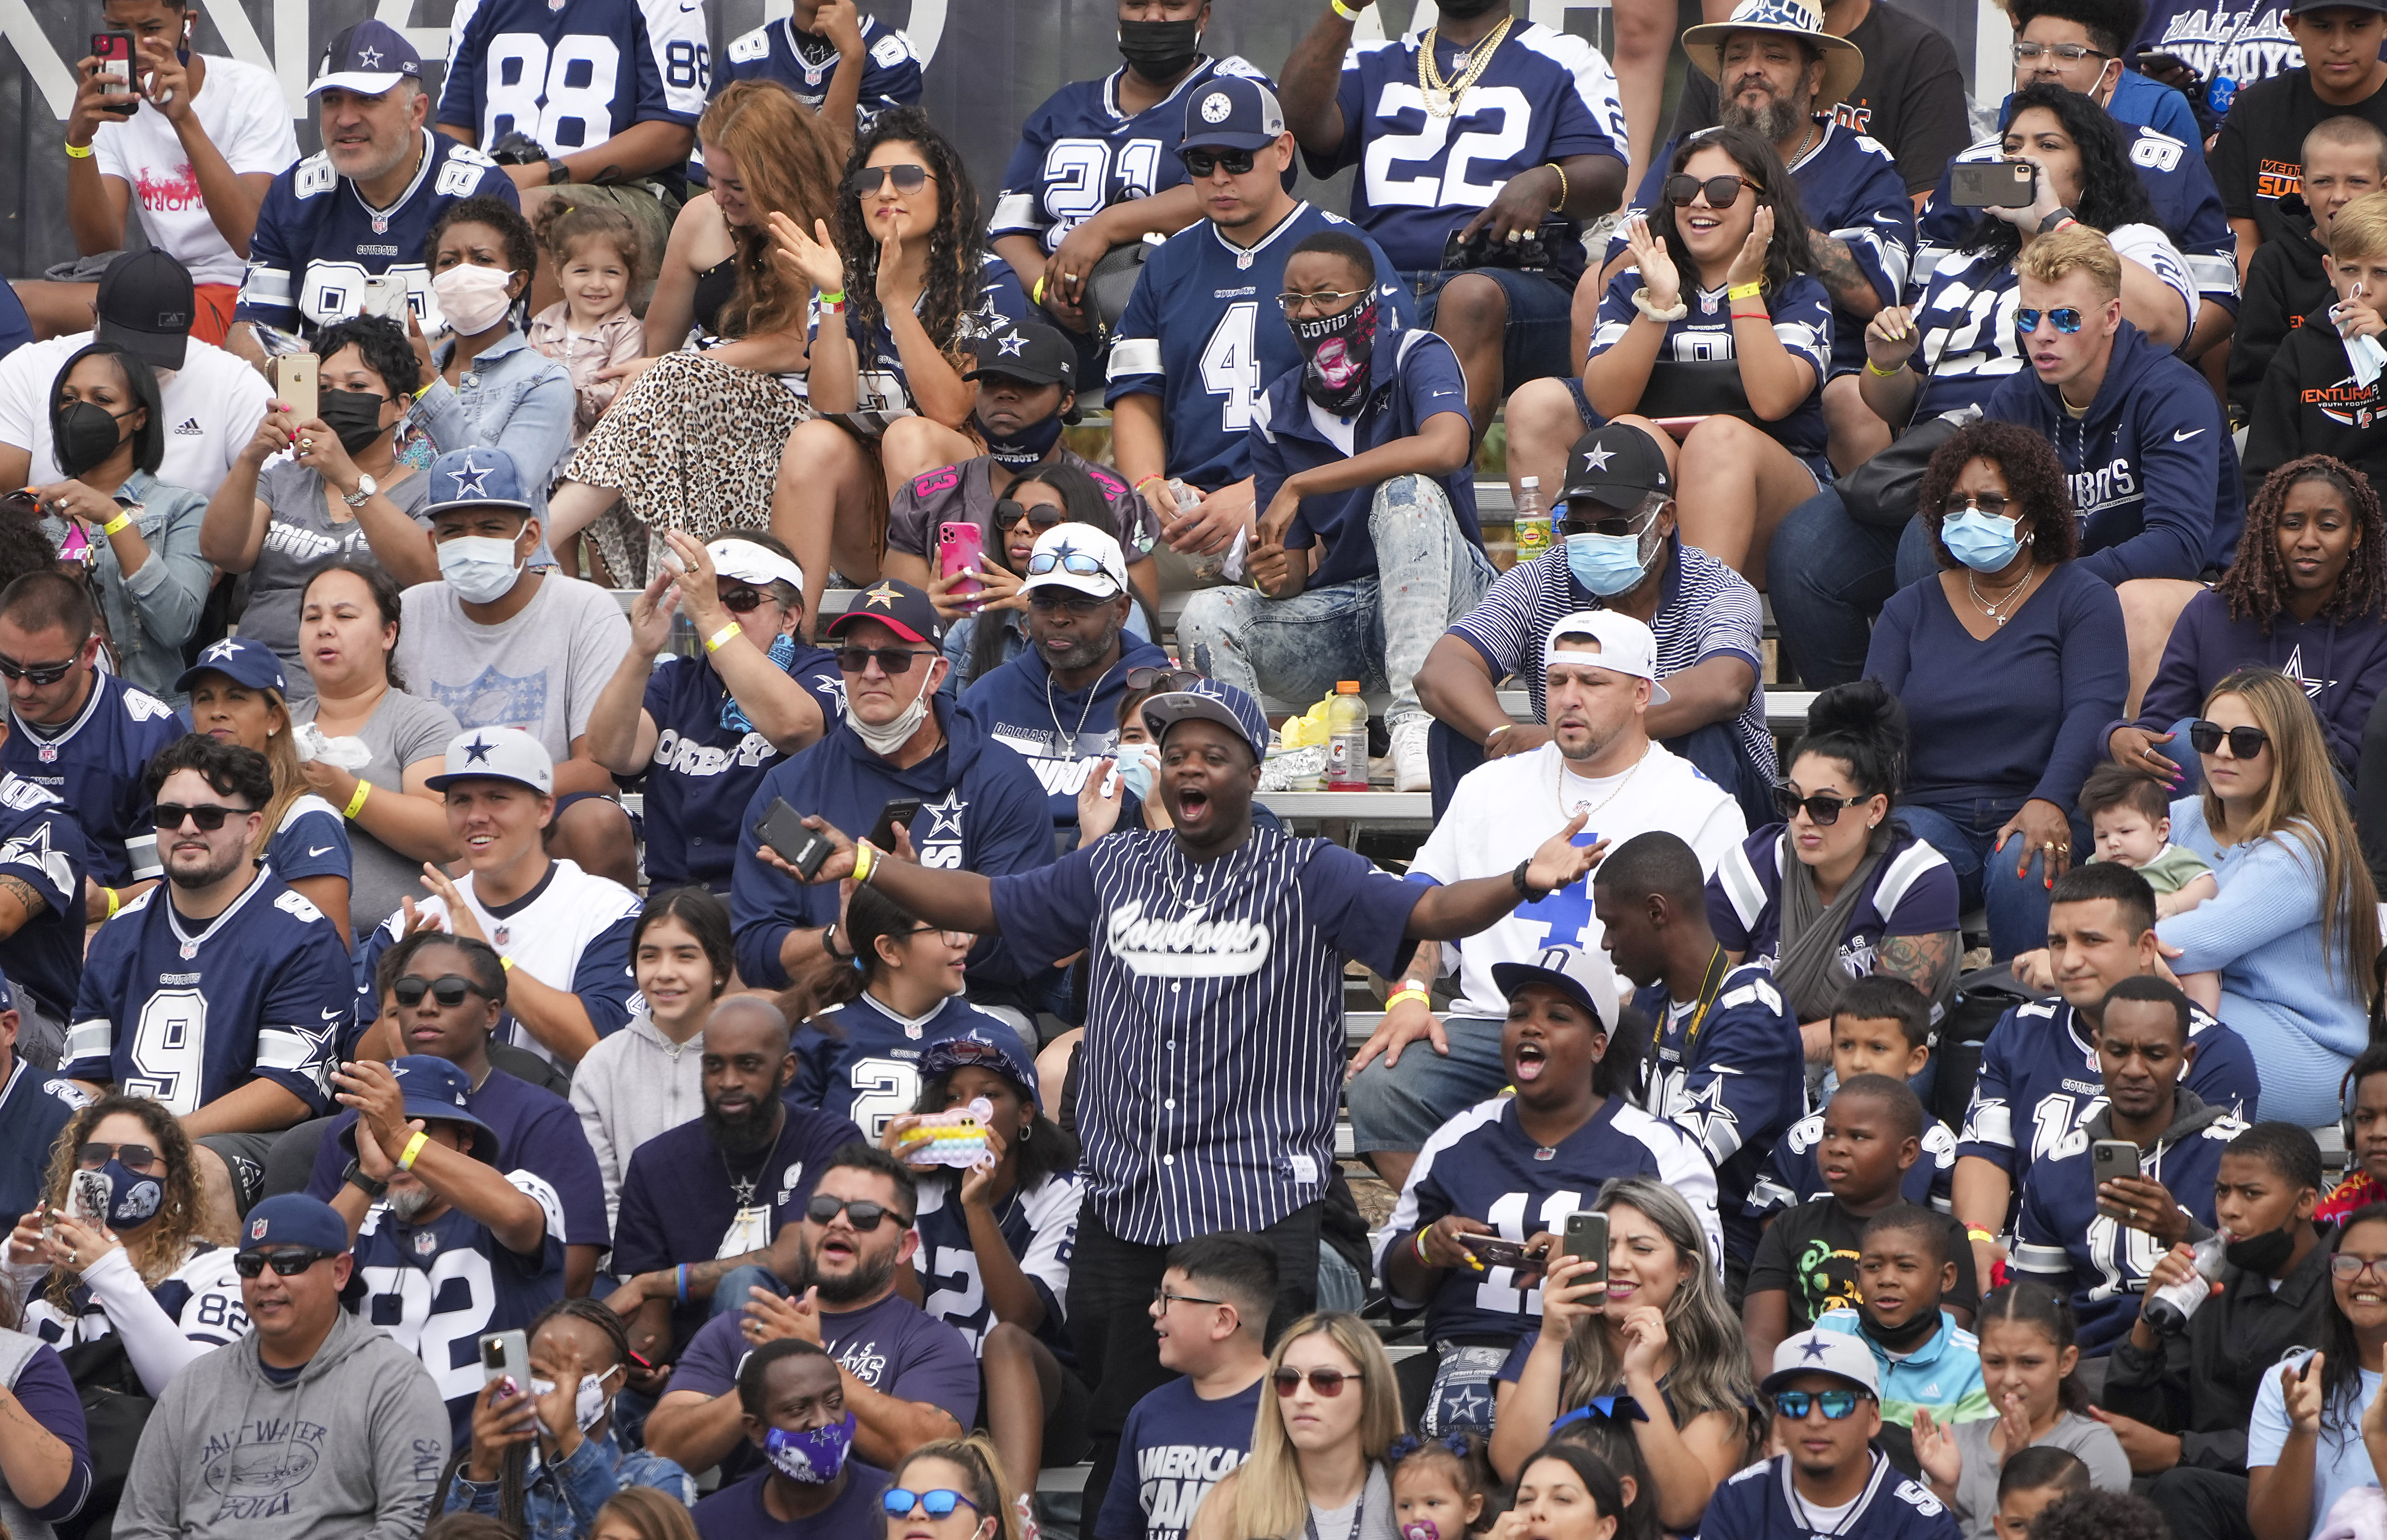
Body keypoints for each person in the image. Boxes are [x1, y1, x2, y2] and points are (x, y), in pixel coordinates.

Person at [763, 674, 1606, 1519]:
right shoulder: (1116, 864)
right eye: (1175, 754)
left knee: (1270, 1432)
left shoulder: (1310, 870)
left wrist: (1521, 881)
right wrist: (872, 865)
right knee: (1124, 1429)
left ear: (1251, 769)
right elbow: (988, 901)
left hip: (1251, 1200)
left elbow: (1428, 906)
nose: (1188, 767)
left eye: (1213, 753)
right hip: (1126, 1203)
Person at [1769, 88, 2198, 688]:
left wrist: (2054, 223)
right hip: (1931, 456)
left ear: (2089, 164)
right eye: (2012, 147)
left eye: (2047, 147)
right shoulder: (1964, 260)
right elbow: (1895, 403)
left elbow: (2164, 320)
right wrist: (1887, 365)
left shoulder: (2125, 242)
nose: (2022, 161)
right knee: (1804, 548)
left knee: (1936, 541)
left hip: (2035, 455)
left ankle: (1950, 724)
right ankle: (1860, 725)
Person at [1347, 611, 1748, 1193]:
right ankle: (1469, 1229)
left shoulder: (1699, 803)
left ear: (1641, 693)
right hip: (1493, 1021)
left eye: (1592, 682)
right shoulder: (1489, 785)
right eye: (1557, 681)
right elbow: (1424, 906)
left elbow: (1715, 956)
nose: (1569, 699)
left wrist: (1619, 1019)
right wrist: (1409, 996)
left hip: (1620, 1027)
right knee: (1382, 1084)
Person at [1175, 229, 1487, 794]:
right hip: (1352, 612)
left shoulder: (1416, 352)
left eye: (1326, 296)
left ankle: (1416, 722)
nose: (1308, 311)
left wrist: (1301, 483)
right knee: (1206, 612)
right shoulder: (1277, 405)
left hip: (1452, 603)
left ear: (1368, 298)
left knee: (1406, 492)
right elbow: (1291, 574)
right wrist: (1272, 573)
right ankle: (1255, 758)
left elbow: (1447, 447)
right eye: (1293, 300)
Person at [1373, 946, 1721, 1435]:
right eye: (1519, 1013)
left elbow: (1701, 1282)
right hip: (1462, 1360)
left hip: (1599, 1365)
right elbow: (1397, 1282)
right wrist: (1429, 1248)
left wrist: (1592, 1263)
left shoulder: (1661, 1149)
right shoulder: (1457, 1137)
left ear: (1599, 1045)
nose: (1532, 1027)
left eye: (1558, 1016)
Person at [1102, 76, 1409, 594]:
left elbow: (1383, 409)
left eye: (1239, 159)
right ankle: (1141, 675)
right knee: (1081, 549)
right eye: (1202, 163)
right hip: (1187, 506)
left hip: (1307, 500)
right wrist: (1149, 486)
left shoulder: (1346, 253)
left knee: (1272, 540)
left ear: (1283, 150)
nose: (1220, 177)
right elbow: (1137, 394)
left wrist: (1253, 493)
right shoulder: (1167, 261)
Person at [1275, 0, 1631, 431]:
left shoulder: (1569, 56)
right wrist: (1345, 8)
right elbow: (1296, 121)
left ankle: (1436, 482)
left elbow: (1609, 177)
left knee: (1469, 297)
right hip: (1388, 284)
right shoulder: (1373, 57)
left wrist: (1546, 182)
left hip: (1516, 286)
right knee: (1310, 292)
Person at [545, 81, 842, 589]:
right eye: (711, 178)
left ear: (779, 175)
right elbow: (656, 344)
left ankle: (542, 535)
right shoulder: (699, 218)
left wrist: (682, 369)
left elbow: (796, 345)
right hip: (692, 400)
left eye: (737, 186)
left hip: (795, 420)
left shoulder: (824, 223)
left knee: (673, 380)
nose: (719, 195)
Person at [1415, 424, 1775, 823]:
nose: (1593, 539)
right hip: (1576, 781)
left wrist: (1579, 735)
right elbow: (1441, 671)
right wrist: (1505, 736)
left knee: (1710, 733)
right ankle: (1473, 881)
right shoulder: (1542, 580)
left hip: (1697, 790)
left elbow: (1725, 686)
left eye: (1614, 527)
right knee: (1452, 734)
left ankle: (1702, 884)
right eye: (1578, 528)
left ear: (1666, 518)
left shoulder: (1716, 587)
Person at [1864, 419, 2128, 962]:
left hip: (2046, 802)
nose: (1968, 516)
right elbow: (1871, 724)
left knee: (2022, 863)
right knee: (1894, 851)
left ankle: (2024, 1023)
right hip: (1932, 811)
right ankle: (1911, 1031)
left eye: (1989, 502)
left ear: (2031, 513)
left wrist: (2049, 799)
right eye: (1955, 504)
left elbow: (2091, 711)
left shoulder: (2082, 599)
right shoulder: (1907, 610)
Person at [727, 579, 1054, 1014]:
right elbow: (756, 952)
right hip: (833, 1006)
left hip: (971, 1009)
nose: (872, 672)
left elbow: (1019, 942)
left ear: (937, 673)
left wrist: (905, 908)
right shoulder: (792, 787)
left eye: (895, 658)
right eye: (855, 656)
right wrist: (840, 938)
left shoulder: (1001, 780)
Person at [64, 737, 355, 1219]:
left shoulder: (302, 934)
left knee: (192, 1173)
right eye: (170, 815)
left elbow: (288, 1093)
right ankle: (65, 1294)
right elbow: (87, 1075)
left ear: (252, 826)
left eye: (210, 817)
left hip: (247, 1144)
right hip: (130, 1140)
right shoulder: (119, 933)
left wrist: (163, 1137)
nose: (187, 828)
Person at [763, 110, 1033, 619]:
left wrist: (894, 303)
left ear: (945, 190)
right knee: (812, 440)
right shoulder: (846, 277)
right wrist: (832, 297)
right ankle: (787, 646)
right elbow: (831, 402)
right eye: (870, 181)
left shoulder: (989, 277)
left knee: (908, 435)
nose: (886, 193)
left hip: (976, 515)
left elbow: (952, 409)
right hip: (874, 523)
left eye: (907, 178)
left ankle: (906, 634)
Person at [1953, 861, 2261, 1285]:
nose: (2069, 960)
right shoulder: (2019, 1028)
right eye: (2057, 942)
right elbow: (1986, 1150)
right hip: (2037, 1268)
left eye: (2091, 941)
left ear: (2145, 947)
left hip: (2168, 1279)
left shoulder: (2214, 1051)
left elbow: (2218, 1195)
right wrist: (1977, 1236)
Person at [1581, 129, 1837, 590]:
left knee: (1717, 438)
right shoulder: (1633, 287)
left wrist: (1743, 290)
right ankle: (1625, 626)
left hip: (1784, 506)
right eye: (1683, 189)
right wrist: (1657, 307)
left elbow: (1774, 400)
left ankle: (1703, 628)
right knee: (1630, 437)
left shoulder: (1799, 292)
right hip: (1672, 496)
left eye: (1721, 191)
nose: (1699, 203)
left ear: (1765, 203)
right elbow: (1604, 399)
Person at [110, 1193, 450, 1540]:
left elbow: (413, 1526)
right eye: (251, 1265)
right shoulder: (193, 1385)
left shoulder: (394, 1381)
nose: (267, 1280)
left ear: (339, 1271)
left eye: (289, 1262)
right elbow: (139, 1525)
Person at [1986, 226, 2242, 687]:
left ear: (2111, 317)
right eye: (2028, 318)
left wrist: (2050, 584)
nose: (2043, 335)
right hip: (2068, 592)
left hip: (2195, 591)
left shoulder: (2172, 394)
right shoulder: (2014, 403)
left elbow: (2178, 545)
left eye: (2065, 318)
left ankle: (2137, 755)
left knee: (2132, 602)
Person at [302, 930, 608, 1295]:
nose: (426, 1007)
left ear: (492, 1013)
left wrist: (402, 1139)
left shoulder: (541, 1116)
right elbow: (304, 1270)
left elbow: (572, 1272)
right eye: (410, 993)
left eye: (449, 992)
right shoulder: (354, 1121)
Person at [646, 1145, 977, 1478]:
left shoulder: (933, 1343)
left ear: (904, 1246)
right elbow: (664, 1449)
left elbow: (930, 1456)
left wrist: (813, 1359)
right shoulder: (736, 1328)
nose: (839, 1221)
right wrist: (765, 1374)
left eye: (864, 1215)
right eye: (823, 1209)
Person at [395, 448, 639, 888]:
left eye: (490, 528)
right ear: (434, 544)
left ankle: (608, 951)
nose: (471, 542)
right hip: (435, 811)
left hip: (545, 808)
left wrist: (488, 804)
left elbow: (597, 768)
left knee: (598, 823)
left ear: (530, 537)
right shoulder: (411, 611)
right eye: (453, 531)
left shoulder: (586, 609)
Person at [2159, 670, 2383, 1120]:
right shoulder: (2179, 819)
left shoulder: (2306, 847)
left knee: (2123, 1011)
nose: (2222, 752)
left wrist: (2100, 946)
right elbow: (2103, 895)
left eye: (2245, 741)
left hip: (2306, 1047)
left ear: (2287, 750)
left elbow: (2198, 940)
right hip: (2221, 1012)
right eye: (2207, 736)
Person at [606, 997, 864, 1383]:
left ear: (787, 1069)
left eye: (748, 1065)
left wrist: (654, 1283)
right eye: (714, 1066)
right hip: (691, 1377)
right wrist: (637, 1364)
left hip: (809, 1364)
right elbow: (652, 1326)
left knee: (744, 1284)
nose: (729, 1082)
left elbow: (795, 1257)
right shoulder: (656, 1163)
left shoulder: (829, 1139)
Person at [2111, 457, 2387, 816]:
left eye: (2329, 526)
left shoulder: (2377, 625)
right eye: (2292, 524)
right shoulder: (2210, 612)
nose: (2309, 540)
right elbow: (2161, 727)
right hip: (2216, 796)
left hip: (2313, 798)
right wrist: (2118, 735)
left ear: (2356, 535)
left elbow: (2350, 764)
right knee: (2182, 742)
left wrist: (2283, 708)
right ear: (2268, 530)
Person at [352, 727, 642, 1069]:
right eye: (461, 800)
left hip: (563, 1118)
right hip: (432, 1121)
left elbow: (607, 1053)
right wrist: (402, 993)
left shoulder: (607, 912)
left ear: (544, 809)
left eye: (497, 797)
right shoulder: (409, 922)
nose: (476, 816)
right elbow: (360, 1065)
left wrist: (487, 958)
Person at [884, 1028, 1086, 1517]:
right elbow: (901, 1313)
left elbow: (1021, 1315)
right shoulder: (921, 1191)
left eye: (989, 1095)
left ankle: (1018, 1518)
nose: (966, 1108)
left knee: (1005, 1341)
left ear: (1025, 1114)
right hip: (941, 1391)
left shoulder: (1064, 1190)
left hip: (1043, 1397)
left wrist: (978, 1207)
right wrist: (891, 1194)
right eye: (953, 1096)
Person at [992, 0, 1262, 362]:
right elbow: (1008, 230)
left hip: (1182, 315)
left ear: (1204, 15)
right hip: (1056, 324)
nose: (1153, 17)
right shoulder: (1065, 107)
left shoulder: (1231, 94)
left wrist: (1104, 228)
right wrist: (1048, 290)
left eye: (1173, 4)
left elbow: (1229, 189)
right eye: (1137, 3)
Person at [2101, 1122, 2330, 1540]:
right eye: (2223, 1191)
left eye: (2251, 1193)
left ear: (2306, 1201)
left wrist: (2180, 1451)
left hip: (2301, 1496)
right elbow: (2145, 1422)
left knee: (2180, 1487)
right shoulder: (2214, 1279)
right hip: (2198, 1490)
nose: (2229, 1209)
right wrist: (2148, 1326)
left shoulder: (2345, 1285)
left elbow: (2324, 1428)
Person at [1709, 681, 1961, 1060]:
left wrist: (1766, 1049)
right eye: (1791, 801)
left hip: (1874, 1061)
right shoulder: (1749, 869)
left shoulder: (1917, 879)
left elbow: (1881, 1029)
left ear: (1875, 810)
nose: (1804, 820)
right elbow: (1703, 997)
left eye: (1825, 806)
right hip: (1758, 1056)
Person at [231, 21, 519, 350]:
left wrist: (415, 383)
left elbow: (501, 339)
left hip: (446, 391)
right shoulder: (293, 194)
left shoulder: (481, 190)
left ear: (417, 111)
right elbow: (251, 332)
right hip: (324, 392)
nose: (345, 119)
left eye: (367, 99)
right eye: (332, 100)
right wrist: (286, 375)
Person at [1593, 830, 1804, 1280]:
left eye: (1613, 924)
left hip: (1739, 1251)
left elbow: (1679, 1154)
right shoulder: (1651, 1001)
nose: (1607, 943)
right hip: (1657, 1234)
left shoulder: (1753, 1010)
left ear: (1656, 912)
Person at [1487, 1178, 1758, 1524]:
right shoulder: (1543, 1347)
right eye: (1605, 1246)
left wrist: (1640, 1379)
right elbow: (1514, 1469)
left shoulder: (1713, 1366)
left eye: (1641, 1249)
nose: (1616, 1262)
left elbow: (1681, 1510)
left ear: (1685, 1269)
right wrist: (1552, 1340)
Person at [589, 531, 841, 894]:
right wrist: (641, 652)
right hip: (677, 906)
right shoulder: (678, 678)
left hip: (778, 901)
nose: (721, 612)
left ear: (789, 617)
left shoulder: (821, 671)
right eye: (707, 599)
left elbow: (795, 726)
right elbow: (611, 751)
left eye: (741, 599)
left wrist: (709, 615)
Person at [34, 0, 299, 346]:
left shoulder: (251, 91)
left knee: (28, 307)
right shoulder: (115, 104)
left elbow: (250, 240)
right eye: (119, 32)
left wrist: (183, 119)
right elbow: (100, 248)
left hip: (246, 301)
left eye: (152, 29)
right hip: (164, 292)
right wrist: (79, 142)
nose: (139, 47)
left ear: (187, 24)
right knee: (15, 303)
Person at [199, 317, 438, 699]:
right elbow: (223, 551)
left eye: (357, 386)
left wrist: (348, 478)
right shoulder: (282, 477)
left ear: (400, 406)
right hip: (254, 686)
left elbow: (429, 572)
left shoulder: (427, 489)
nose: (338, 397)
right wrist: (251, 456)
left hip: (358, 693)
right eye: (324, 387)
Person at [327, 1054, 562, 1438]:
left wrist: (401, 1138)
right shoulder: (359, 1223)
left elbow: (517, 1217)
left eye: (422, 1129)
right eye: (377, 1132)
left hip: (504, 1469)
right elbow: (295, 1284)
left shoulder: (519, 1189)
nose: (396, 1155)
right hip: (382, 1469)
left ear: (465, 1140)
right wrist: (368, 1176)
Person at [2008, 977, 2241, 1353]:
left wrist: (2181, 1230)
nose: (2134, 1069)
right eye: (2118, 1051)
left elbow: (2274, 1286)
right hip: (2090, 1370)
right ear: (2097, 1050)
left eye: (2155, 1054)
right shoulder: (2056, 1167)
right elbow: (2036, 1308)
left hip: (2207, 1366)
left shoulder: (2239, 1154)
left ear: (2187, 1059)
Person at [884, 322, 1163, 614]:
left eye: (1027, 383)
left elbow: (1138, 634)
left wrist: (1036, 607)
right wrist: (924, 619)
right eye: (991, 382)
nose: (1005, 394)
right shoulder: (926, 498)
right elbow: (896, 637)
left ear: (1067, 401)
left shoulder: (1116, 502)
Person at [433, 0, 700, 291]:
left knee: (532, 215)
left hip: (631, 190)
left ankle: (531, 338)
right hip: (500, 185)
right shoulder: (475, 5)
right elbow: (455, 128)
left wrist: (547, 173)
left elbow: (671, 135)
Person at [3, 1094, 245, 1389]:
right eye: (96, 1155)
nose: (112, 1170)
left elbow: (196, 1395)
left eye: (137, 1159)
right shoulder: (39, 1256)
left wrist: (109, 1273)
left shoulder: (217, 1268)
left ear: (176, 1180)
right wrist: (15, 1278)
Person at [0, 249, 275, 498]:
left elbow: (274, 494)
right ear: (95, 316)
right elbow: (6, 500)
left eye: (157, 350)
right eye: (128, 348)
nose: (140, 366)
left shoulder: (233, 383)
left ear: (188, 328)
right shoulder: (29, 368)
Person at [957, 520, 1171, 840]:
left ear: (1122, 610)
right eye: (1044, 601)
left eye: (1080, 602)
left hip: (1124, 874)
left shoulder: (1164, 699)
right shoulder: (986, 699)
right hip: (1007, 875)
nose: (1059, 617)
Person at [25, 341, 211, 704]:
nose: (80, 412)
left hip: (148, 713)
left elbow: (177, 626)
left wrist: (114, 517)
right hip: (45, 716)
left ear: (140, 417)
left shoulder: (183, 506)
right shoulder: (31, 511)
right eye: (69, 399)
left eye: (103, 400)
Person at [288, 560, 464, 939]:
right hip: (286, 946)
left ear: (389, 633)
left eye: (345, 615)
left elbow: (445, 833)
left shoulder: (421, 721)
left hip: (400, 943)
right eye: (312, 617)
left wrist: (346, 794)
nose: (325, 628)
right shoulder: (276, 724)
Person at [1746, 1077, 1983, 1358]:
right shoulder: (1789, 1226)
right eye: (1830, 1134)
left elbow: (1947, 1348)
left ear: (1907, 1153)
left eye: (1858, 1137)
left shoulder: (1944, 1235)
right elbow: (1759, 1341)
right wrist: (1789, 1395)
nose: (1837, 1148)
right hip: (1803, 1393)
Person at [1662, 0, 1972, 202]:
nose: (1752, 66)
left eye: (1774, 56)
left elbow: (1930, 214)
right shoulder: (1735, 58)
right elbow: (1666, 198)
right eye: (1738, 57)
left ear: (1816, 76)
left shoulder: (1917, 53)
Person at [447, 1297, 696, 1540]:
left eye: (576, 1372)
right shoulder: (502, 1474)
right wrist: (481, 1472)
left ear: (618, 1379)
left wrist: (570, 1440)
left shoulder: (657, 1479)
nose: (559, 1386)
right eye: (540, 1371)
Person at [794, 884, 1025, 1135]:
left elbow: (1031, 1154)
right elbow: (792, 1158)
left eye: (960, 927)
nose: (962, 942)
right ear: (889, 950)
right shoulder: (817, 1035)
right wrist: (884, 1165)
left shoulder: (995, 1035)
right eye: (943, 930)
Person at [0, 572, 180, 892]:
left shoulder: (148, 731)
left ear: (89, 653)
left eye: (46, 673)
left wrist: (109, 903)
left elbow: (171, 881)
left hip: (109, 923)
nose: (24, 689)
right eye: (9, 668)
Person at [1909, 1282, 2130, 1540]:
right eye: (1995, 1362)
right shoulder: (1957, 1443)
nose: (2011, 1378)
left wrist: (2016, 1467)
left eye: (2029, 1363)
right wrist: (1943, 1490)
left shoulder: (2092, 1446)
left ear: (2065, 1362)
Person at [1094, 1232, 1277, 1540]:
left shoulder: (1291, 1406)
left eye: (1169, 1297)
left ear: (1222, 1320)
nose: (1155, 1308)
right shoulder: (1149, 1411)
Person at [571, 887, 732, 1233]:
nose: (665, 972)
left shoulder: (748, 1058)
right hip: (630, 1268)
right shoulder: (601, 1066)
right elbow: (602, 1195)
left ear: (719, 968)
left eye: (685, 956)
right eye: (650, 956)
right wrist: (636, 1269)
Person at [1701, 1328, 1962, 1540]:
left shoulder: (1921, 1521)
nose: (1814, 1421)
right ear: (1779, 1419)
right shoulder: (1739, 1500)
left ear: (1874, 1419)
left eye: (1837, 1403)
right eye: (1795, 1403)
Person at [176, 637, 354, 941]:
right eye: (204, 698)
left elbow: (327, 952)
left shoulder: (308, 820)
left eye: (236, 697)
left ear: (274, 718)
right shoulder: (182, 812)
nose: (217, 711)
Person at [414, 197, 577, 527]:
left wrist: (428, 389)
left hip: (501, 569)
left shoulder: (545, 381)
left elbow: (502, 486)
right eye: (449, 261)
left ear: (516, 283)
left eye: (482, 259)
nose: (462, 272)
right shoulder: (403, 374)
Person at [939, 464, 1159, 696]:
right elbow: (929, 702)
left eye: (1043, 518)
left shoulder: (1121, 608)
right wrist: (929, 621)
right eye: (1010, 515)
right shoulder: (984, 610)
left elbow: (1128, 697)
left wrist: (1032, 604)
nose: (1021, 528)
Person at [1182, 1311, 1401, 1540]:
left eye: (1325, 1380)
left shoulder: (1412, 1494)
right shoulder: (1233, 1500)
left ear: (1370, 1392)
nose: (1301, 1397)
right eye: (1288, 1380)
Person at [1812, 1204, 1992, 1476]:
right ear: (1858, 1278)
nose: (1887, 1279)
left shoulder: (1974, 1363)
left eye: (1906, 1266)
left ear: (1946, 1278)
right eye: (1873, 1267)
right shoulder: (1831, 1333)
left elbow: (1963, 1473)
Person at [1752, 978, 1954, 1217]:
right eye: (1846, 1046)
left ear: (1916, 1059)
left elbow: (1951, 1235)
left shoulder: (1937, 1145)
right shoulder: (1803, 1138)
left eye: (1877, 1048)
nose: (1858, 1062)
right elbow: (1769, 1219)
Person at [2247, 1202, 2387, 1540]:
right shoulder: (2292, 1379)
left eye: (2386, 1264)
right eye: (2350, 1263)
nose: (2366, 1277)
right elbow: (2274, 1534)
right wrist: (2303, 1431)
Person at [2230, 116, 2387, 417]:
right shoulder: (2273, 262)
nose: (2340, 196)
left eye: (2357, 181)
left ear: (2383, 187)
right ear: (2302, 188)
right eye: (2323, 182)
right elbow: (2252, 379)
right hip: (2299, 431)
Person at [2210, 0, 2387, 262]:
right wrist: (2269, 299)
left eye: (2358, 26)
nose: (2340, 46)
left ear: (2385, 25)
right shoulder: (2256, 108)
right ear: (2293, 28)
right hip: (2274, 295)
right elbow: (2240, 241)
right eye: (2322, 27)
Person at [2247, 190, 2387, 499]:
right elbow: (2263, 468)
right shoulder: (2298, 350)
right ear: (2330, 270)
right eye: (2350, 270)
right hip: (2320, 520)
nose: (2362, 288)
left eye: (2381, 272)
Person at [688, 1337, 888, 1540]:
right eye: (798, 1409)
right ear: (756, 1430)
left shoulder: (900, 1507)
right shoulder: (709, 1525)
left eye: (834, 1402)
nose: (823, 1421)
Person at [526, 200, 648, 517]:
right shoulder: (544, 325)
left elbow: (618, 394)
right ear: (559, 273)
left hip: (598, 458)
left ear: (629, 276)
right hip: (545, 450)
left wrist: (571, 391)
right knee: (549, 529)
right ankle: (551, 568)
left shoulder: (626, 331)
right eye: (583, 271)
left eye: (611, 272)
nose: (597, 284)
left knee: (602, 541)